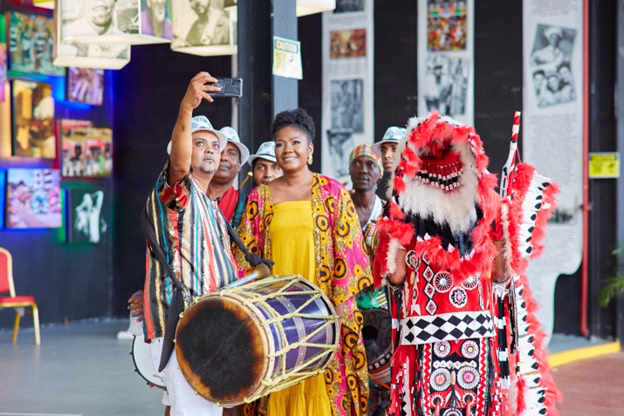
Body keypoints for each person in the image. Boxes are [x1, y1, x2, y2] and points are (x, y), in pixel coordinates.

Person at [236, 108, 371, 416]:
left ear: (310, 149)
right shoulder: (260, 197)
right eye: (280, 144)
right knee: (278, 378)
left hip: (323, 312)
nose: (287, 150)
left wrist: (337, 308)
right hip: (277, 316)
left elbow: (350, 254)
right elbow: (245, 257)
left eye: (295, 142)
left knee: (322, 383)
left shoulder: (333, 194)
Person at [143, 72, 239, 416]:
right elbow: (180, 166)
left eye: (215, 145)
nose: (212, 150)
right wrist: (187, 107)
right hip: (185, 326)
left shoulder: (210, 205)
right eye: (200, 143)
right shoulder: (178, 194)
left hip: (208, 328)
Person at [348, 144, 390, 415]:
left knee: (383, 377)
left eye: (370, 165)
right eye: (358, 164)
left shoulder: (387, 213)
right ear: (350, 168)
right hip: (348, 305)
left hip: (382, 307)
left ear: (380, 173)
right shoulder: (339, 207)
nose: (363, 170)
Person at [207, 126, 249, 228]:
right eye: (220, 151)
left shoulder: (246, 205)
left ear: (239, 165)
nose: (224, 157)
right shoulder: (191, 194)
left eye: (231, 153)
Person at [372, 126, 406, 200]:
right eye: (384, 150)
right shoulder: (376, 186)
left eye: (394, 149)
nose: (386, 155)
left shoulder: (418, 187)